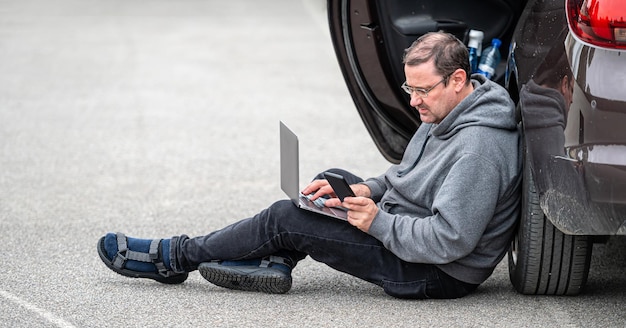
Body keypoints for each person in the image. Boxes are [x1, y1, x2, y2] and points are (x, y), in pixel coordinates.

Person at [97, 32, 521, 299]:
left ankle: (174, 258)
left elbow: (450, 241)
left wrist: (376, 222)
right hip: (406, 228)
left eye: (423, 90)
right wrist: (368, 192)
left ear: (459, 80)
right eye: (409, 88)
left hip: (435, 272)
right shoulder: (447, 111)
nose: (414, 101)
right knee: (330, 182)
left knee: (285, 218)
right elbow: (403, 178)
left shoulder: (479, 149)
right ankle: (273, 260)